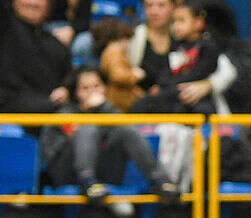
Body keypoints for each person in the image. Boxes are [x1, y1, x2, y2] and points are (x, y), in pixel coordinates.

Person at [40, 65, 179, 209]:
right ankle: (87, 181)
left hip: (104, 169)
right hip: (67, 171)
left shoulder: (107, 109)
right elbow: (73, 135)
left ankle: (159, 180)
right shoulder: (64, 114)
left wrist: (104, 106)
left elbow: (120, 124)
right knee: (88, 127)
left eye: (96, 86)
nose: (92, 92)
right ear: (75, 92)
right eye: (85, 88)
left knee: (126, 130)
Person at [130, 0, 231, 114]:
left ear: (198, 23)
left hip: (198, 98)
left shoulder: (208, 46)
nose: (176, 26)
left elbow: (201, 73)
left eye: (181, 21)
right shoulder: (175, 46)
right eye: (174, 22)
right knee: (142, 105)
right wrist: (162, 86)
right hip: (173, 94)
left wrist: (173, 86)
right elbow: (165, 72)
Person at [0, 0, 69, 112]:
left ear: (48, 6)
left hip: (48, 110)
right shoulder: (5, 26)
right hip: (9, 104)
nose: (34, 2)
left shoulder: (56, 45)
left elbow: (68, 77)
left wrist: (66, 89)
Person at [130, 0, 177, 92]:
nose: (154, 11)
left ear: (173, 6)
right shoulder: (134, 36)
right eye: (149, 5)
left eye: (161, 5)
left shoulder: (181, 35)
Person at [91, 18, 142, 111]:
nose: (128, 44)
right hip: (120, 100)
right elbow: (117, 75)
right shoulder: (114, 51)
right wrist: (134, 75)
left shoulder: (110, 51)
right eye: (127, 39)